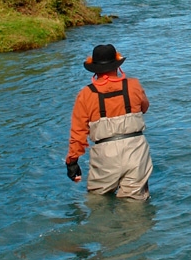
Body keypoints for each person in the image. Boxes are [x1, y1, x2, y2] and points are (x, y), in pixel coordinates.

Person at [65, 44, 153, 201]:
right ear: (117, 65)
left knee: (97, 204)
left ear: (94, 69)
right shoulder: (133, 85)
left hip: (105, 153)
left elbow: (78, 133)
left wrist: (72, 162)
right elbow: (144, 107)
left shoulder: (85, 94)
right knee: (135, 206)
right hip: (136, 150)